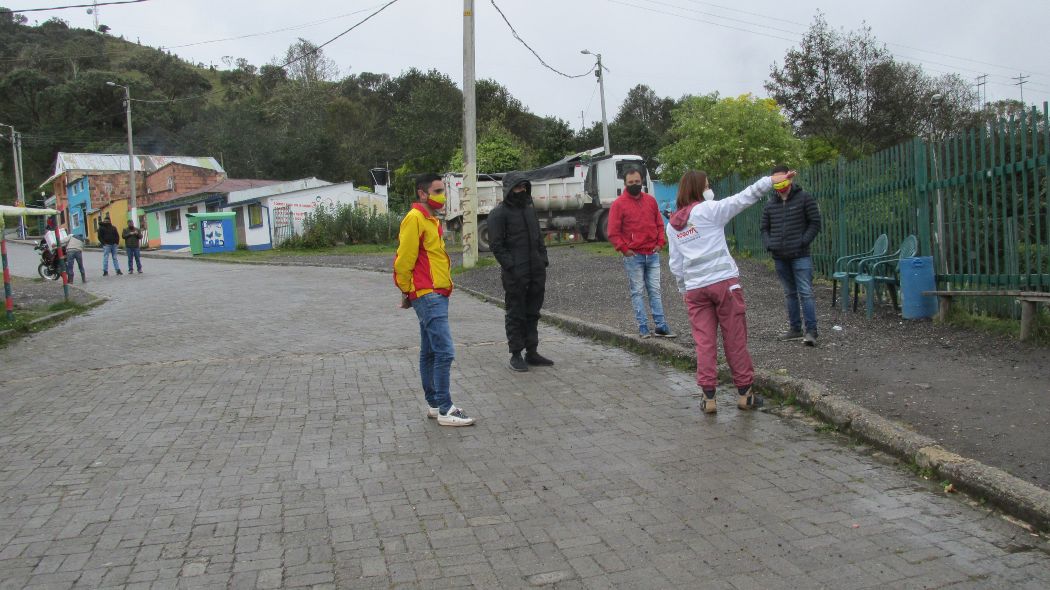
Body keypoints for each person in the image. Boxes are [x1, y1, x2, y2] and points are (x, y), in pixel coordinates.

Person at [667, 169, 796, 414]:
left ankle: (708, 398)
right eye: (707, 184)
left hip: (696, 290)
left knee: (704, 343)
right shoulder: (709, 210)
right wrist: (770, 181)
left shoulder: (673, 225)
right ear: (697, 189)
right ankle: (745, 395)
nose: (709, 188)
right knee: (734, 339)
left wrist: (683, 288)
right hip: (724, 284)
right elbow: (743, 198)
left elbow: (676, 264)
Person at [393, 173, 474, 427]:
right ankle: (446, 409)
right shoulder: (415, 219)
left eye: (443, 191)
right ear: (422, 193)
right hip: (428, 294)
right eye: (437, 191)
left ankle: (436, 404)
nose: (442, 196)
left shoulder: (430, 220)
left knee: (429, 351)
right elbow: (403, 260)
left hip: (436, 293)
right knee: (445, 351)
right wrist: (408, 290)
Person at [488, 173, 553, 373]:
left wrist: (543, 260)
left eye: (524, 187)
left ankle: (531, 352)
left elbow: (538, 238)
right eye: (518, 188)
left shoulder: (529, 210)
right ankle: (516, 354)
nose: (522, 191)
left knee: (533, 312)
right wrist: (512, 266)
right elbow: (496, 245)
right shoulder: (498, 214)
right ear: (508, 189)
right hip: (515, 273)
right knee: (516, 313)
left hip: (535, 270)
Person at [608, 166, 675, 339]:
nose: (634, 184)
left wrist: (660, 243)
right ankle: (643, 327)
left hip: (652, 254)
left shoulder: (651, 201)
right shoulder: (618, 205)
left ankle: (661, 326)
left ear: (642, 181)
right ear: (625, 183)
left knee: (655, 291)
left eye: (637, 182)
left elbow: (660, 224)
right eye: (631, 182)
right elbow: (613, 232)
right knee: (637, 292)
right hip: (633, 257)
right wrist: (625, 249)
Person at [761, 165, 823, 346]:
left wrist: (804, 241)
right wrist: (769, 244)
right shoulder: (770, 203)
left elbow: (815, 222)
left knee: (805, 292)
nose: (780, 184)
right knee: (789, 293)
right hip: (780, 256)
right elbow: (764, 227)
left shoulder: (804, 198)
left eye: (783, 179)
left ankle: (811, 331)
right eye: (776, 181)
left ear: (790, 178)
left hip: (800, 255)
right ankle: (795, 329)